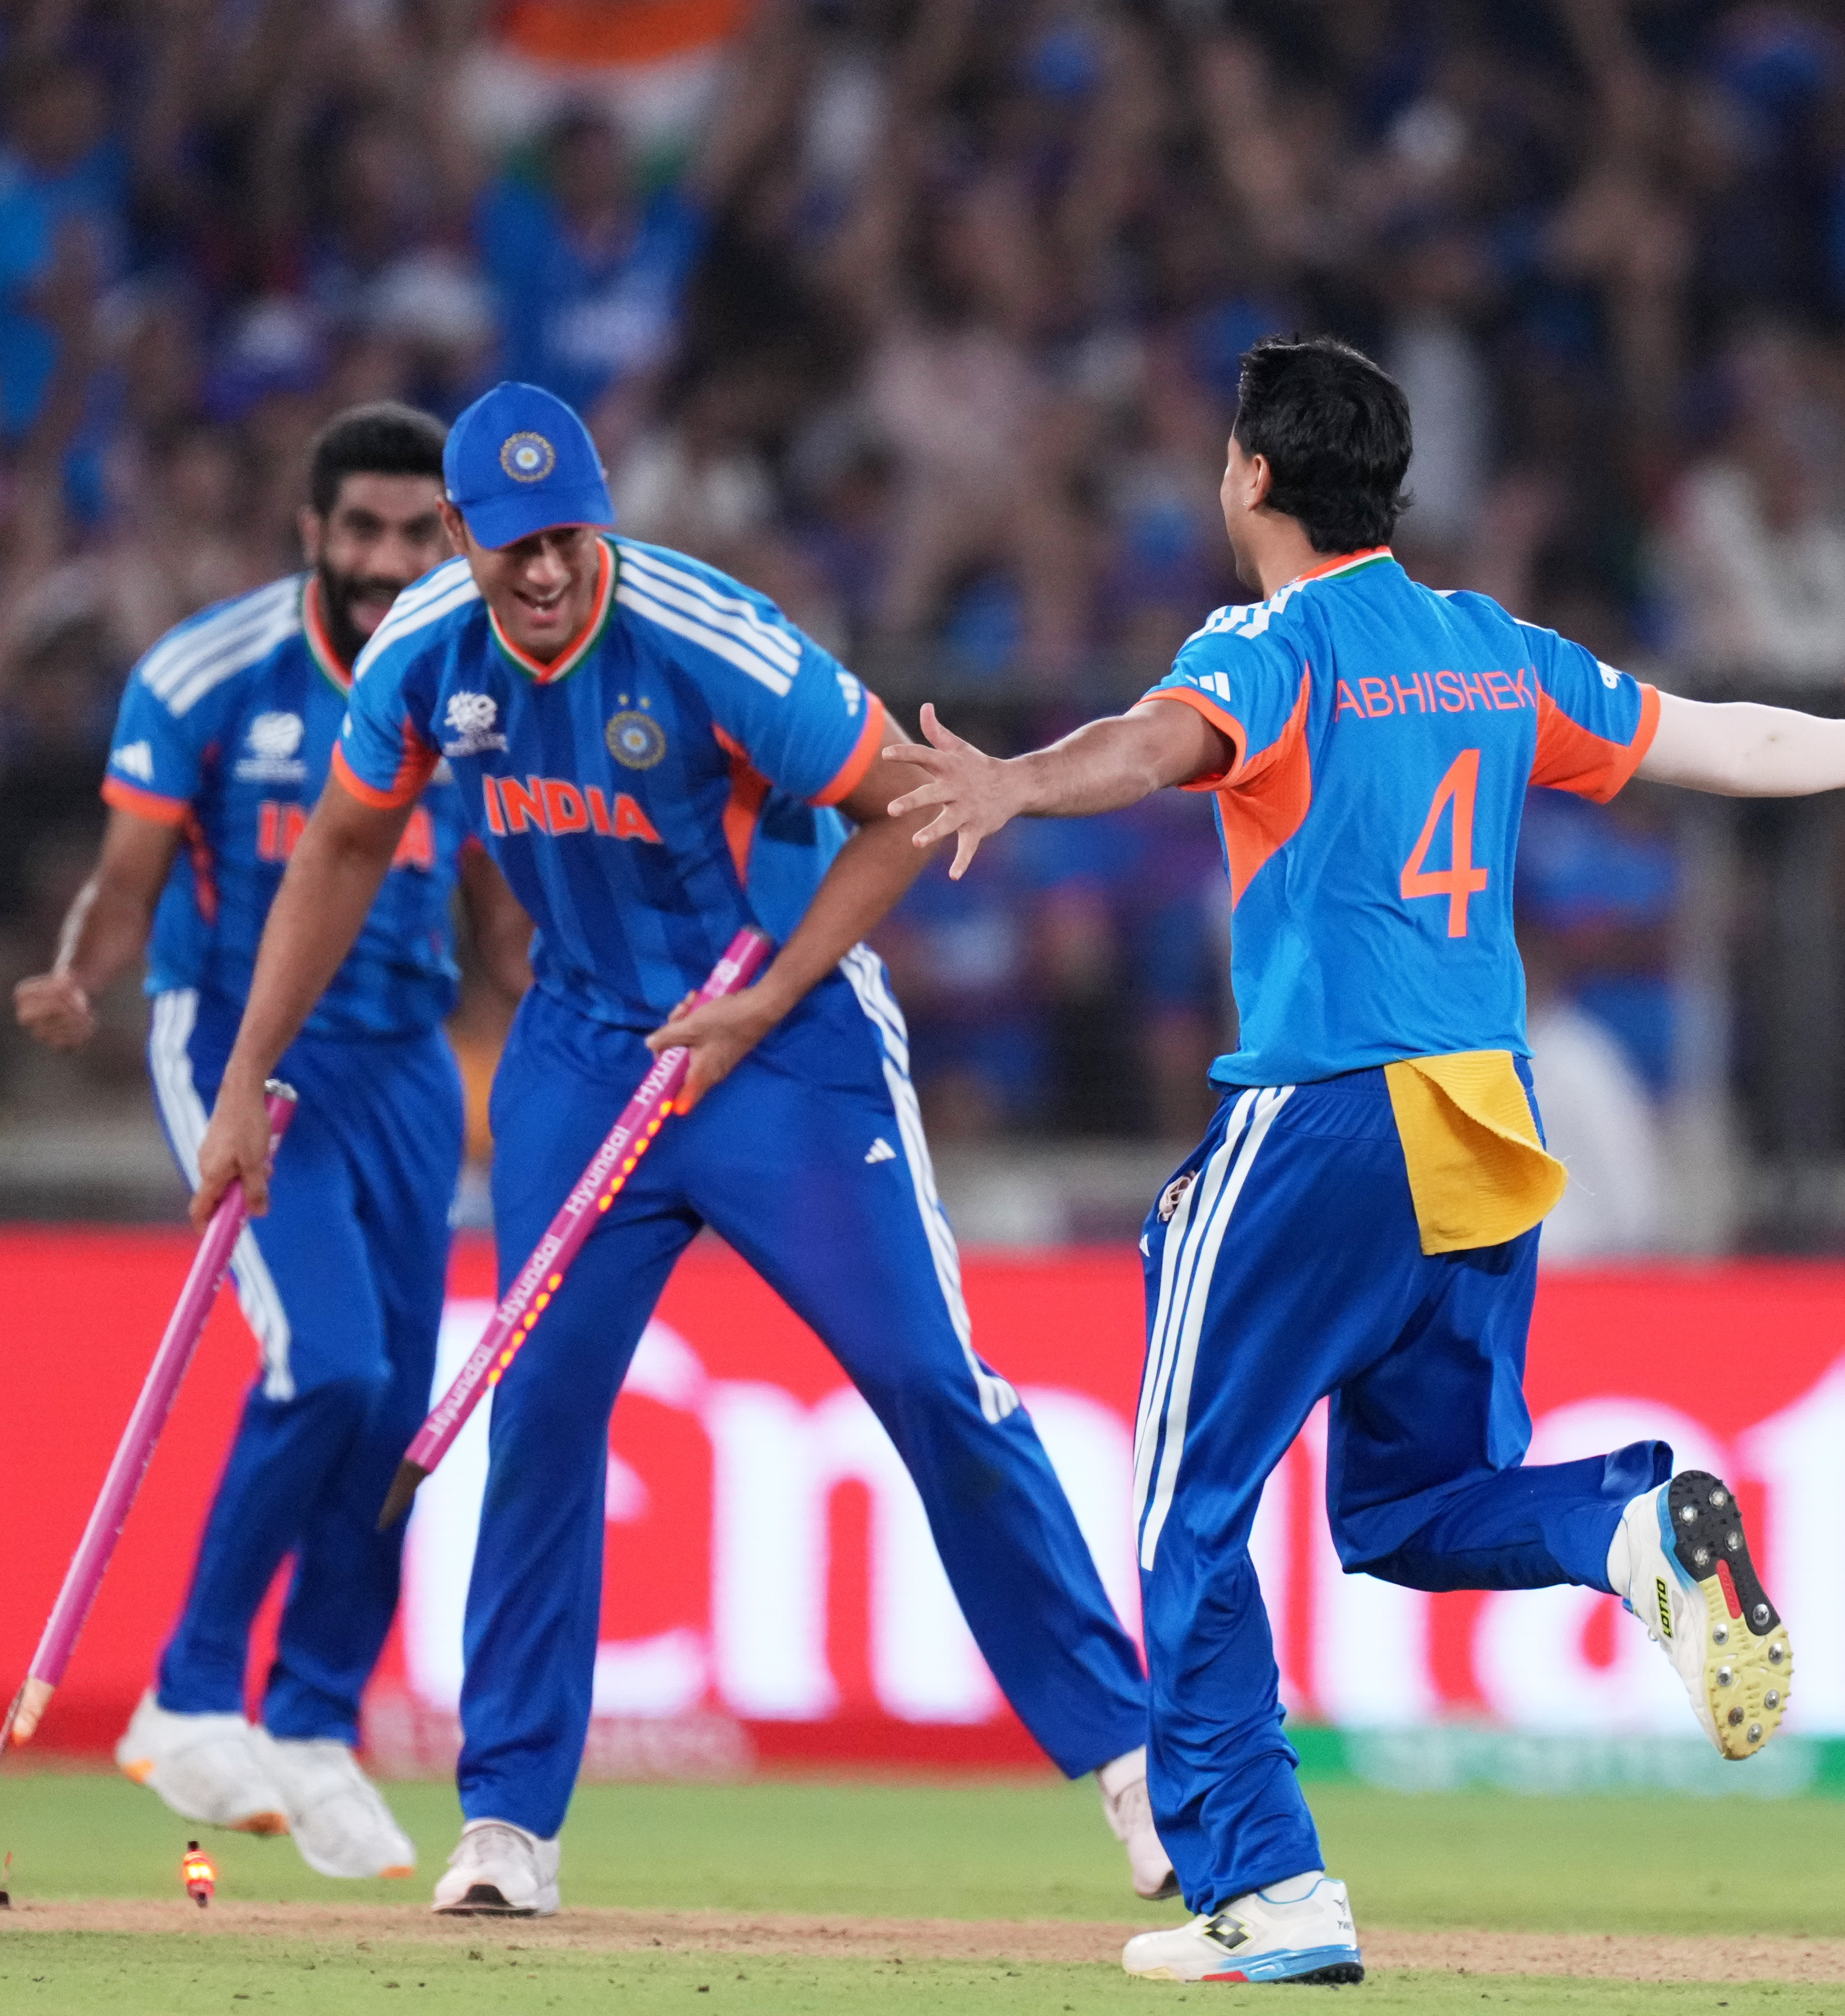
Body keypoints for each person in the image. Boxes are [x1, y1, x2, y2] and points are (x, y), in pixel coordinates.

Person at [881, 335, 1845, 1984]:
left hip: (1320, 1110)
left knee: (1187, 1509)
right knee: (1405, 1504)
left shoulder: (1271, 638)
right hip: (1480, 1116)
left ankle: (1266, 1887)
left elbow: (1161, 742)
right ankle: (1626, 1529)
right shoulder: (1487, 648)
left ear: (1250, 475)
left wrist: (1017, 780)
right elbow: (1700, 740)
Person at [190, 380, 1166, 1918]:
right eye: (510, 546)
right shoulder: (421, 655)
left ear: (604, 519)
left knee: (930, 1382)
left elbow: (904, 808)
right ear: (460, 535)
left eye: (570, 536)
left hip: (787, 1044)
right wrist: (246, 1073)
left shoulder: (714, 643)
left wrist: (771, 991)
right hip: (584, 1054)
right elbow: (342, 845)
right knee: (545, 1413)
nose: (546, 571)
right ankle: (508, 1822)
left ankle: (1130, 1758)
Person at [15, 403, 525, 1878]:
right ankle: (185, 1695)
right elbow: (123, 880)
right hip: (241, 1044)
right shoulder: (207, 670)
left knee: (400, 1414)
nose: (384, 560)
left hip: (411, 1061)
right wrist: (78, 974)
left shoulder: (482, 674)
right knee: (328, 1360)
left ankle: (311, 1721)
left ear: (454, 538)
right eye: (358, 531)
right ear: (311, 533)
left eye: (416, 533)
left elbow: (499, 893)